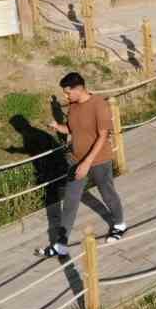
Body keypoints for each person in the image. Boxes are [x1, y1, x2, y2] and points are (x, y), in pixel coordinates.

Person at [41, 73, 126, 259]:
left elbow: (103, 136)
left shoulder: (99, 105)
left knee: (107, 193)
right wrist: (57, 127)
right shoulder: (73, 106)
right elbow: (72, 129)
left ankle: (119, 224)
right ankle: (60, 245)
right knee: (70, 201)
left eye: (67, 93)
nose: (66, 97)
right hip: (75, 159)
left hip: (98, 160)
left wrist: (87, 163)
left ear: (79, 89)